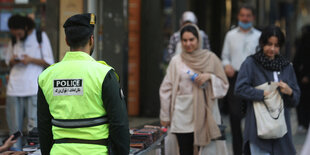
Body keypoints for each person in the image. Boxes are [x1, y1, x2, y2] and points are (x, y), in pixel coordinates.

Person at [37, 13, 129, 155]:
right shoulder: (104, 74)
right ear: (91, 40)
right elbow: (119, 124)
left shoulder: (47, 76)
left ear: (67, 41)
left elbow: (44, 127)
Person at [160, 23, 229, 155]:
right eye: (184, 40)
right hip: (182, 114)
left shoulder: (211, 58)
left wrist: (209, 77)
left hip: (205, 115)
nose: (188, 44)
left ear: (198, 40)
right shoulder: (176, 61)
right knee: (185, 150)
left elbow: (224, 85)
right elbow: (166, 88)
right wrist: (165, 114)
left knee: (205, 151)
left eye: (191, 39)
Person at [234, 25, 300, 155]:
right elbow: (239, 88)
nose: (272, 49)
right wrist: (262, 93)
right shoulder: (251, 63)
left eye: (276, 45)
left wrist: (290, 92)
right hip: (258, 128)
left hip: (281, 131)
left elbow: (296, 98)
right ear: (262, 43)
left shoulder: (286, 66)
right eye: (269, 44)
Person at [5, 14, 54, 150]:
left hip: (33, 88)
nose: (18, 37)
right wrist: (14, 60)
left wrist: (31, 60)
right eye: (15, 35)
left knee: (33, 128)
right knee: (14, 131)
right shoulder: (14, 39)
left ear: (26, 28)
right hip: (14, 89)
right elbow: (8, 61)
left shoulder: (40, 37)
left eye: (20, 34)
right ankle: (15, 152)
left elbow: (49, 62)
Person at [220, 4, 261, 155]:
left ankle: (251, 150)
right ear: (238, 16)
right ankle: (238, 151)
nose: (245, 18)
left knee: (253, 117)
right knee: (235, 116)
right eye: (242, 15)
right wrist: (226, 66)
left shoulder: (259, 36)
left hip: (253, 80)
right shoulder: (230, 35)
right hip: (235, 78)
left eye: (248, 16)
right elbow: (224, 56)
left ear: (253, 18)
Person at [293, 25, 310, 133]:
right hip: (300, 79)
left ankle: (304, 123)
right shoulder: (302, 44)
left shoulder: (303, 43)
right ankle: (303, 123)